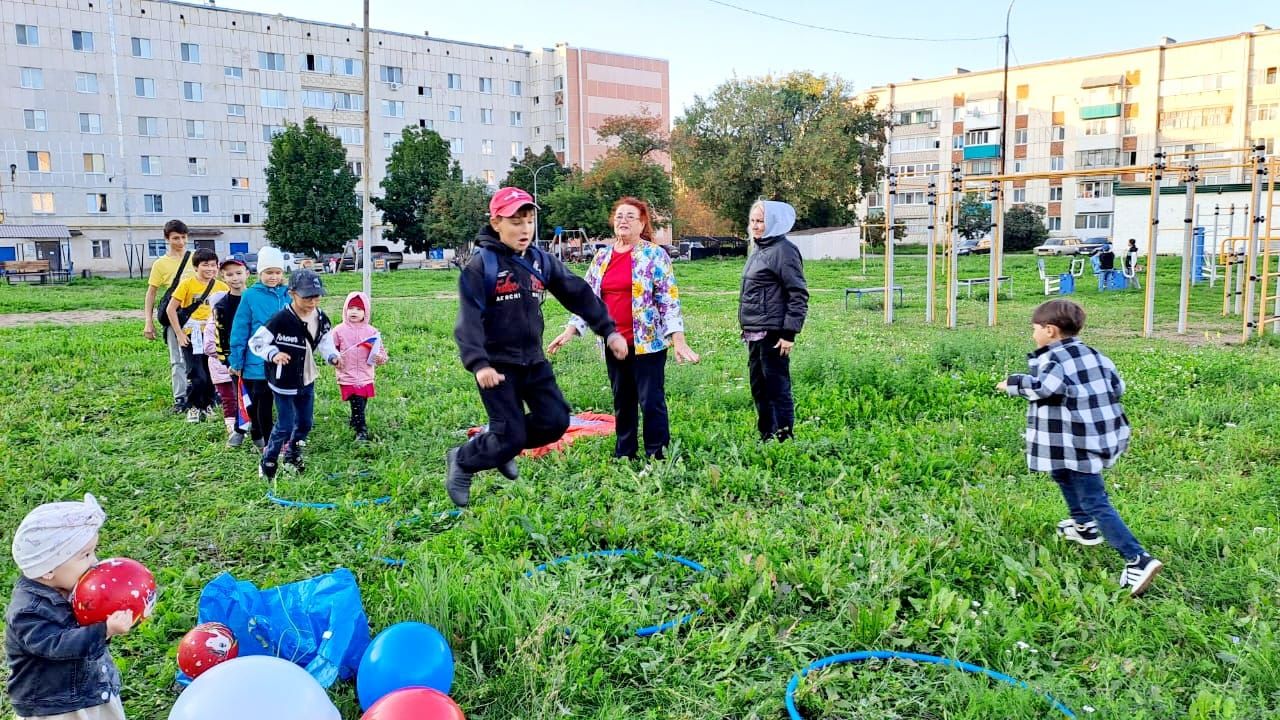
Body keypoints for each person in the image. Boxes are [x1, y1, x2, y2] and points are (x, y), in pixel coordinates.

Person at [446, 187, 627, 507]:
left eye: (529, 221)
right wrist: (479, 364)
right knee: (510, 434)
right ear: (496, 223)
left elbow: (577, 292)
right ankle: (463, 459)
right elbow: (468, 320)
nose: (525, 229)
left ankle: (501, 446)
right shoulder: (480, 267)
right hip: (497, 366)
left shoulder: (540, 260)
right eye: (515, 222)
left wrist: (608, 331)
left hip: (533, 361)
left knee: (555, 422)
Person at [997, 299, 1162, 597]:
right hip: (1089, 439)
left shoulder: (1054, 360)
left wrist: (1014, 382)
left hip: (1076, 443)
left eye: (1035, 329)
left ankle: (1137, 558)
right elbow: (1117, 387)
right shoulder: (1095, 354)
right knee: (1062, 474)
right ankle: (1083, 525)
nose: (1033, 335)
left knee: (1096, 499)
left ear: (1050, 330)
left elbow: (1043, 388)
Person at [548, 197, 699, 460]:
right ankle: (625, 453)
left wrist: (679, 340)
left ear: (642, 224)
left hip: (647, 343)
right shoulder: (602, 256)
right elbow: (587, 299)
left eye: (630, 216)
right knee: (622, 400)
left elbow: (669, 299)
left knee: (651, 401)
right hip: (614, 343)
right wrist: (570, 330)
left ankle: (657, 455)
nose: (623, 221)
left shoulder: (654, 255)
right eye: (619, 216)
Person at [6, 494, 135, 720]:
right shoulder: (28, 611)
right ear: (48, 568)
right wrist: (104, 630)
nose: (94, 562)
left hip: (89, 689)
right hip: (55, 706)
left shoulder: (70, 587)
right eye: (85, 555)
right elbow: (57, 645)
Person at [249, 269, 340, 479]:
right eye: (306, 296)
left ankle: (292, 455)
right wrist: (273, 354)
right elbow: (256, 342)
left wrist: (332, 357)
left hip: (307, 378)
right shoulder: (280, 319)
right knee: (285, 424)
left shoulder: (321, 317)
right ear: (292, 294)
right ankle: (268, 460)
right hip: (285, 381)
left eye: (316, 295)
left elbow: (325, 341)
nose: (312, 300)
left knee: (305, 422)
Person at [739, 200, 808, 442]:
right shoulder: (759, 247)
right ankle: (766, 434)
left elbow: (797, 294)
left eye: (761, 221)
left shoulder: (784, 250)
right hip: (754, 331)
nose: (755, 226)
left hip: (774, 332)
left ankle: (784, 437)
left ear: (774, 223)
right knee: (759, 387)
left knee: (777, 388)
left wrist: (789, 333)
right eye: (753, 221)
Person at [229, 248, 290, 452]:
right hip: (256, 362)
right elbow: (240, 329)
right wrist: (236, 361)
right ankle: (266, 439)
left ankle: (283, 436)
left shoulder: (288, 295)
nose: (273, 277)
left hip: (283, 360)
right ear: (259, 273)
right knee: (261, 403)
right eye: (268, 272)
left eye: (277, 272)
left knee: (283, 402)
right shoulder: (250, 296)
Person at [165, 249, 228, 423]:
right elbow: (171, 309)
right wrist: (179, 334)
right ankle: (193, 406)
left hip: (212, 337)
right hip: (191, 335)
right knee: (196, 373)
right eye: (205, 265)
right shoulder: (187, 284)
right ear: (195, 267)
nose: (210, 268)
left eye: (213, 265)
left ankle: (206, 405)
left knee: (209, 374)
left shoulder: (222, 287)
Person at [142, 220, 195, 413]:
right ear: (167, 239)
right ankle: (180, 398)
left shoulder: (196, 258)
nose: (180, 242)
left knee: (204, 356)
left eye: (183, 237)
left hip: (200, 315)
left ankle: (204, 393)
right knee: (178, 359)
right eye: (175, 238)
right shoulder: (161, 264)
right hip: (176, 316)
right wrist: (148, 322)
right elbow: (151, 293)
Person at [331, 292, 389, 442]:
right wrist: (335, 359)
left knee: (361, 402)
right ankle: (361, 431)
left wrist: (380, 358)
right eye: (351, 308)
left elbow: (381, 352)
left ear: (366, 312)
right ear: (345, 310)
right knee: (356, 400)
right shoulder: (338, 330)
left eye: (359, 309)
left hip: (365, 374)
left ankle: (354, 421)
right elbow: (330, 350)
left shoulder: (372, 331)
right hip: (347, 374)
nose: (354, 312)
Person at [205, 258, 249, 446]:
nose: (235, 278)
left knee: (261, 395)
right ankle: (240, 428)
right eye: (229, 274)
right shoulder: (221, 305)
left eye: (238, 273)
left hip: (259, 357)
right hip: (235, 360)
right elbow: (220, 336)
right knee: (239, 393)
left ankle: (261, 429)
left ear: (247, 273)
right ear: (223, 277)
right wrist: (228, 362)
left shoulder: (255, 298)